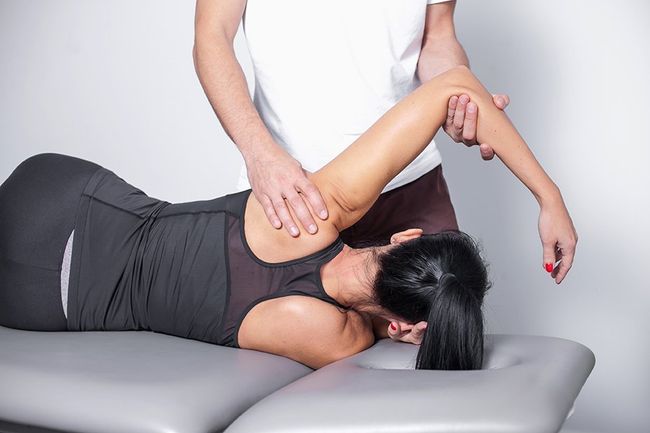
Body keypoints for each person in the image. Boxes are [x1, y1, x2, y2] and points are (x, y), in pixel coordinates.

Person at [0, 66, 577, 371]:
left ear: (405, 236)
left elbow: (453, 86)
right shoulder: (334, 339)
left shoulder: (312, 211)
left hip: (63, 196)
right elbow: (381, 322)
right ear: (405, 328)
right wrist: (410, 324)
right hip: (39, 303)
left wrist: (548, 197)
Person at [192, 0, 510, 250]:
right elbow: (211, 36)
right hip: (292, 193)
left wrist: (456, 101)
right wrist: (259, 154)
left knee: (444, 328)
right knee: (304, 331)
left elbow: (438, 36)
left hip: (408, 187)